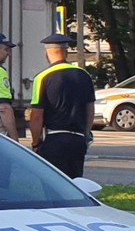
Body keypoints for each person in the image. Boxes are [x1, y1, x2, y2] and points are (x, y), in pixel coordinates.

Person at [29, 34, 95, 178]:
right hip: (78, 139)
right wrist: (86, 133)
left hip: (55, 139)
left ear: (47, 53)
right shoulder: (84, 75)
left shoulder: (42, 77)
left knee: (54, 182)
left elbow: (37, 115)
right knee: (76, 182)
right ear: (66, 52)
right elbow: (90, 109)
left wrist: (36, 142)